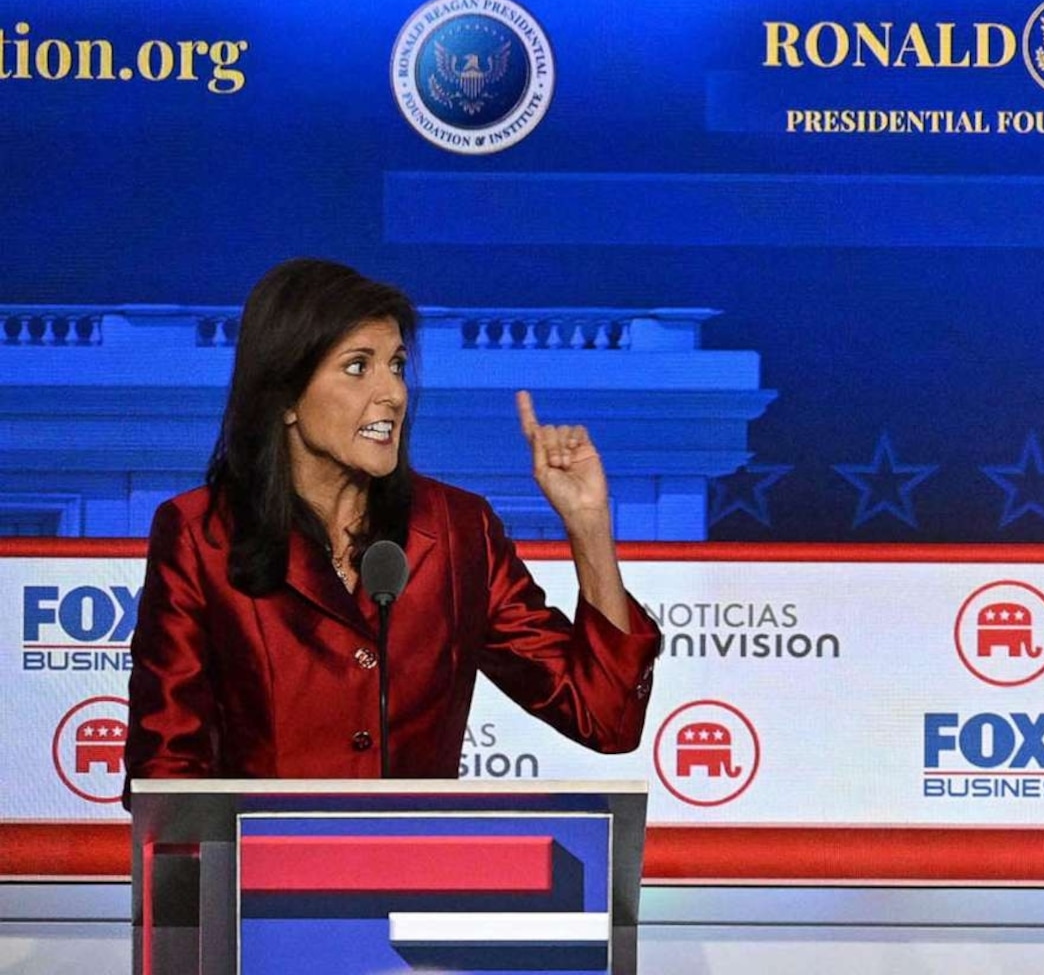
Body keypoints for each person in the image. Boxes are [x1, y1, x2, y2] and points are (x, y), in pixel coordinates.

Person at [126, 259, 661, 781]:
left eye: (398, 365)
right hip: (256, 867)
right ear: (286, 396)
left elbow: (605, 716)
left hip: (417, 866)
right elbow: (167, 771)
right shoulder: (200, 535)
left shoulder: (458, 531)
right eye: (359, 366)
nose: (395, 394)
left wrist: (588, 525)